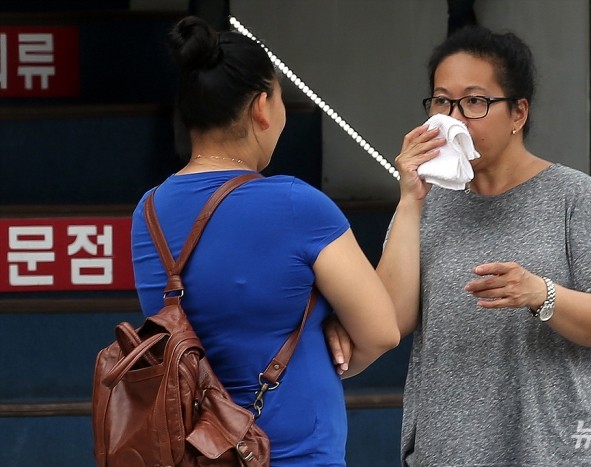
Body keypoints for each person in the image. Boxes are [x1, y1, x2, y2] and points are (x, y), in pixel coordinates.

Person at [130, 16, 399, 466]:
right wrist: (335, 338)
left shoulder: (149, 213)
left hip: (194, 454)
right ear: (261, 107)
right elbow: (382, 332)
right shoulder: (296, 205)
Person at [375, 25, 591, 466]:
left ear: (518, 113)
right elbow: (390, 319)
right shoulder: (424, 203)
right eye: (442, 101)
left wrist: (541, 294)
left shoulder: (573, 196)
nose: (454, 117)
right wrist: (409, 199)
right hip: (450, 452)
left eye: (475, 101)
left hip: (556, 450)